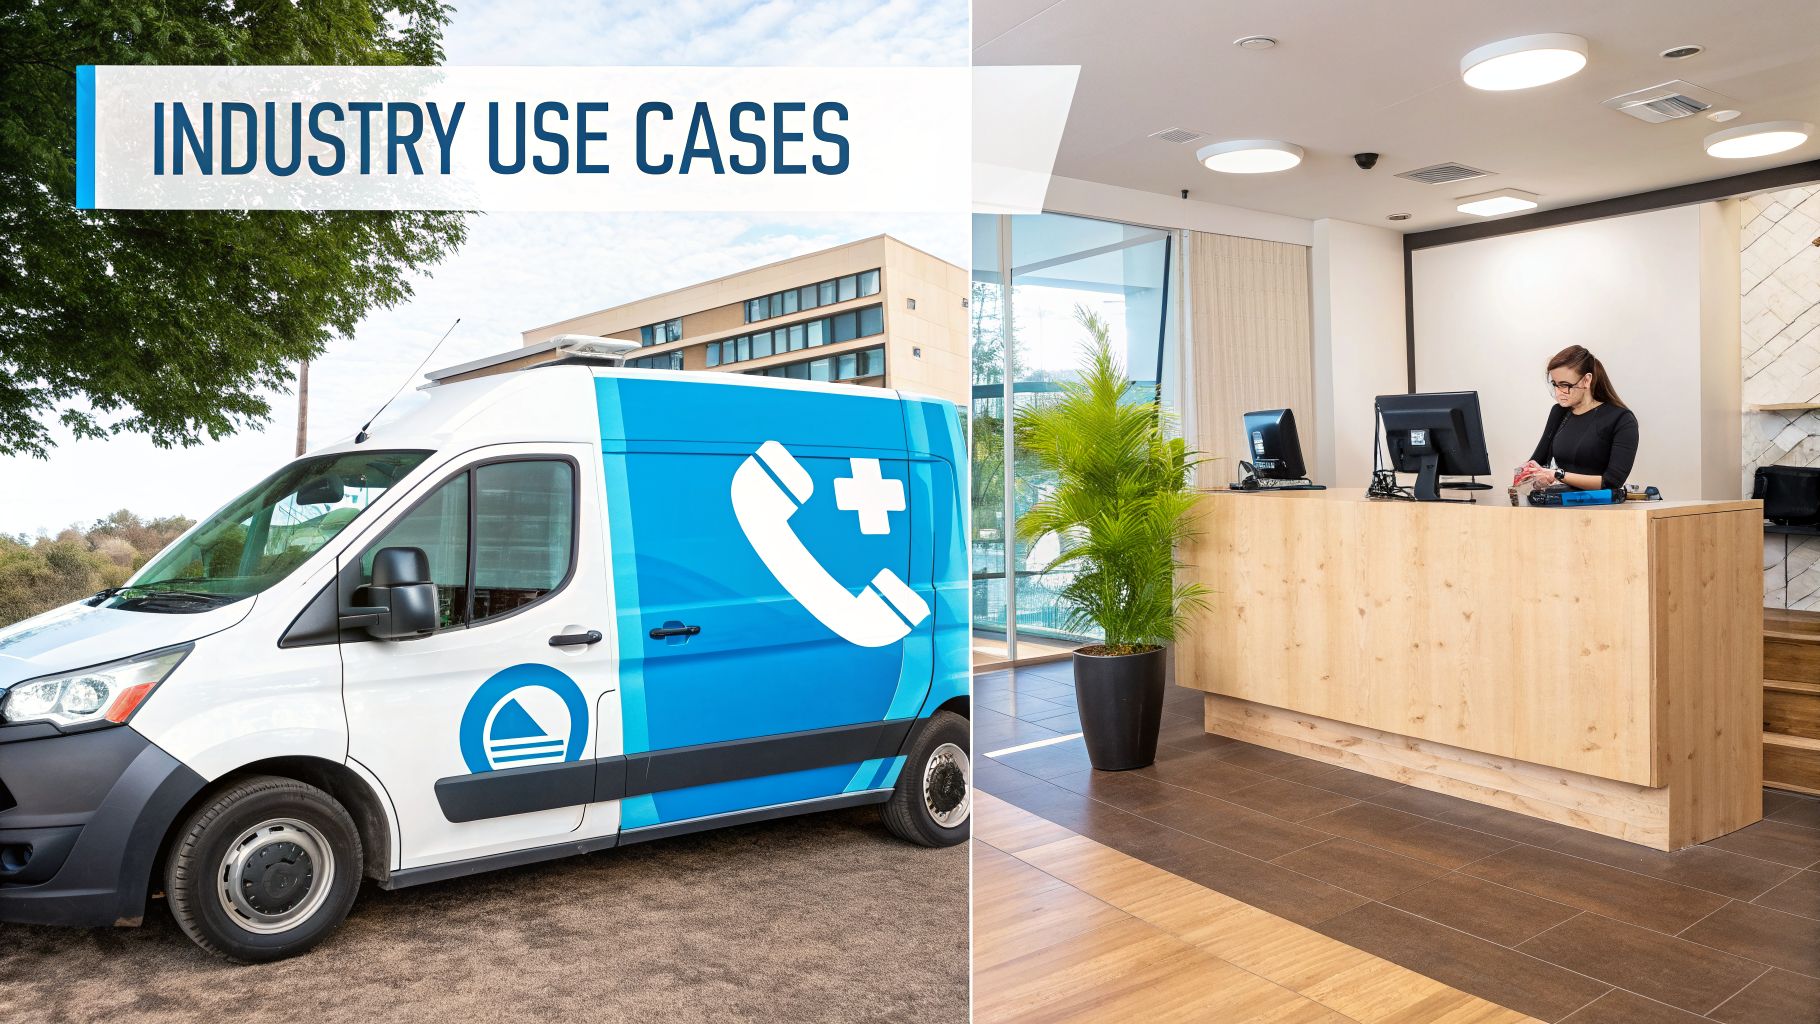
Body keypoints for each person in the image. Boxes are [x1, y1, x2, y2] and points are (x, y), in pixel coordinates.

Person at [1515, 345, 1639, 492]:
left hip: (1602, 509)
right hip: (1561, 505)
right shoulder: (1559, 412)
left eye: (1565, 385)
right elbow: (1537, 462)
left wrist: (1557, 475)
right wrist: (1533, 475)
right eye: (1555, 384)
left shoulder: (1621, 419)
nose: (1558, 392)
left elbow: (1612, 481)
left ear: (1586, 380)